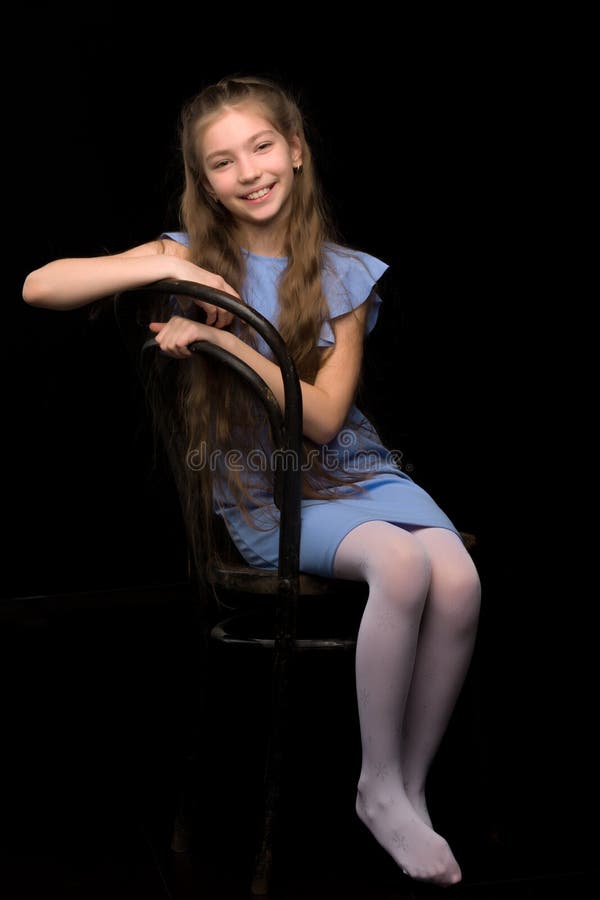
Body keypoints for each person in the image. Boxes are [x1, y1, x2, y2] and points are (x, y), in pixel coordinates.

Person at [23, 74, 480, 887]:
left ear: (296, 152)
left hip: (356, 470)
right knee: (404, 566)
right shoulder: (186, 252)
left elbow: (325, 421)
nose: (249, 170)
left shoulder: (343, 273)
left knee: (459, 576)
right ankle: (376, 786)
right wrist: (176, 275)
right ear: (205, 183)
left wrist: (227, 343)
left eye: (263, 146)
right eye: (223, 161)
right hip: (266, 491)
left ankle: (406, 786)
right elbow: (41, 285)